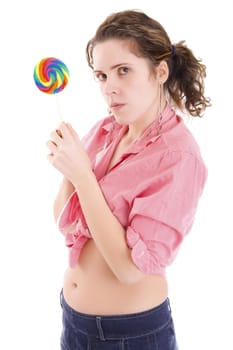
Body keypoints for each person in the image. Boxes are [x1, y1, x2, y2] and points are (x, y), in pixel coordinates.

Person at [47, 9, 211, 350]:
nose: (110, 88)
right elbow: (66, 223)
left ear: (160, 71)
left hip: (130, 335)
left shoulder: (178, 157)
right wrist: (71, 170)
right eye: (102, 76)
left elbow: (130, 270)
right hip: (73, 322)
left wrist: (82, 174)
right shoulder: (106, 131)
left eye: (124, 70)